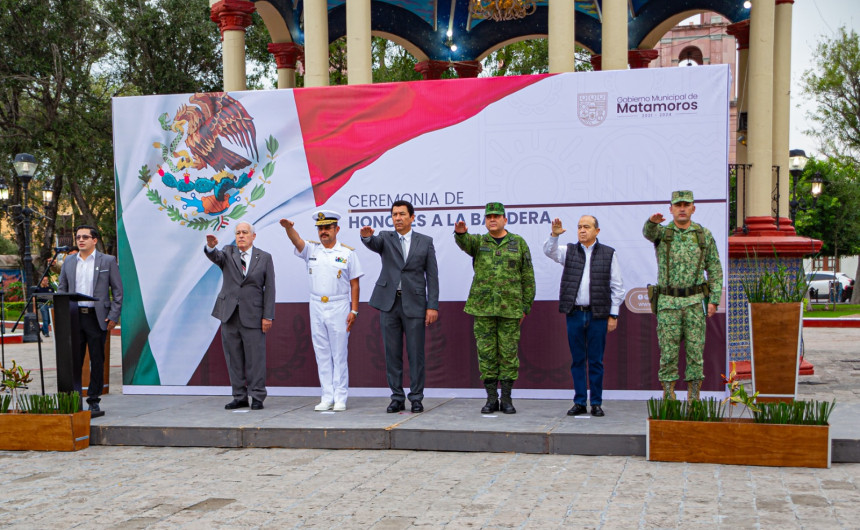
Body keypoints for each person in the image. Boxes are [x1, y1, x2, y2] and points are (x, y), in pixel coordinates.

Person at [454, 202, 535, 414]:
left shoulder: (518, 243)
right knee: (486, 353)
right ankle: (491, 399)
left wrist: (525, 307)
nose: (492, 219)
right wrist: (460, 233)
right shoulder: (479, 242)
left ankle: (506, 399)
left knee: (508, 354)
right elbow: (464, 243)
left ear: (504, 220)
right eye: (489, 216)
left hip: (510, 309)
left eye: (496, 216)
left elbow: (527, 277)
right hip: (483, 309)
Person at [643, 190, 723, 401]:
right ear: (671, 209)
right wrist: (651, 222)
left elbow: (714, 269)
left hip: (694, 303)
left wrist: (714, 300)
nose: (682, 209)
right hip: (668, 303)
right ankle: (669, 397)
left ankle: (693, 398)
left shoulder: (703, 235)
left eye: (686, 205)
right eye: (678, 205)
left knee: (695, 352)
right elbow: (648, 233)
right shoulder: (662, 233)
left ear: (693, 209)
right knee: (668, 353)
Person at [361, 200, 439, 413]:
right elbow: (373, 243)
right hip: (389, 303)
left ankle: (416, 398)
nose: (398, 218)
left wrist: (432, 305)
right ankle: (396, 397)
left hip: (415, 304)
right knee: (392, 354)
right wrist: (366, 237)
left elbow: (432, 276)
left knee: (416, 354)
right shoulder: (385, 237)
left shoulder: (425, 241)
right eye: (394, 214)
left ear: (412, 217)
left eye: (402, 214)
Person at [281, 211, 363, 412]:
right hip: (316, 304)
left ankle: (340, 397)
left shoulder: (347, 253)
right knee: (322, 353)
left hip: (339, 305)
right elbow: (296, 241)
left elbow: (355, 284)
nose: (323, 231)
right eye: (320, 228)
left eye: (327, 228)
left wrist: (354, 310)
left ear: (337, 229)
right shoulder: (312, 249)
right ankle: (327, 396)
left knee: (339, 353)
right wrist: (289, 228)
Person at [544, 216, 624, 417]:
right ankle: (579, 402)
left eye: (586, 227)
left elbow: (617, 286)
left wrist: (613, 314)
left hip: (598, 315)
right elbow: (549, 251)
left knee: (596, 361)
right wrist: (554, 235)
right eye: (579, 227)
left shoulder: (608, 253)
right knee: (577, 360)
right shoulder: (569, 251)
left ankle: (596, 403)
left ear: (597, 231)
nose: (582, 230)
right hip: (575, 313)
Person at [205, 222, 275, 411]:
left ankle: (257, 396)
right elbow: (214, 256)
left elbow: (270, 288)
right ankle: (239, 396)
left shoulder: (264, 257)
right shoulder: (227, 252)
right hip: (229, 315)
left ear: (253, 236)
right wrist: (210, 247)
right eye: (238, 233)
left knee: (255, 359)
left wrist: (268, 316)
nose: (241, 236)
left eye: (244, 232)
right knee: (233, 358)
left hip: (254, 315)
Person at [57, 225, 123, 413]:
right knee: (73, 361)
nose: (80, 240)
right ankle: (72, 400)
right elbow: (62, 288)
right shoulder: (69, 261)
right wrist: (62, 313)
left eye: (85, 237)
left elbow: (118, 291)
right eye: (78, 237)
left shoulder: (107, 261)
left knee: (97, 359)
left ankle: (94, 400)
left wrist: (113, 315)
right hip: (74, 316)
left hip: (97, 318)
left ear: (94, 240)